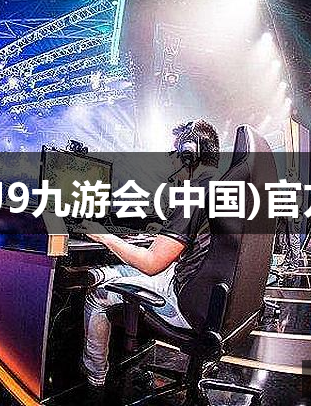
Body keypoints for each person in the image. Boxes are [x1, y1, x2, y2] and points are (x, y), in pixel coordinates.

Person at [75, 119, 220, 390]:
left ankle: (95, 375)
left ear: (189, 154)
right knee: (116, 271)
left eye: (176, 152)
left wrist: (103, 235)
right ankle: (100, 274)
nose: (173, 159)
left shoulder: (196, 191)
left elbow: (152, 264)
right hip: (212, 302)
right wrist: (163, 237)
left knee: (97, 294)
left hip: (185, 304)